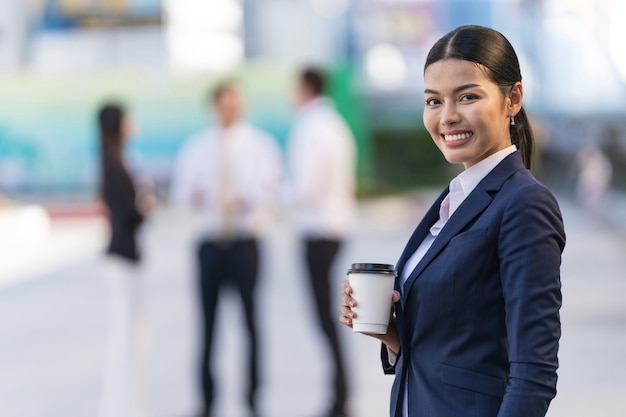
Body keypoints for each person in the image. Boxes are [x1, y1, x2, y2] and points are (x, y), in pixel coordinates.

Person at [339, 25, 566, 417]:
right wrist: (387, 331)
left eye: (467, 97)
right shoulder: (454, 200)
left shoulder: (524, 203)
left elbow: (534, 374)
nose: (447, 117)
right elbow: (455, 349)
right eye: (433, 101)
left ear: (513, 98)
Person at [169, 82, 282, 417]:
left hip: (246, 243)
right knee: (207, 326)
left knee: (251, 324)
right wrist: (198, 195)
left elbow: (274, 190)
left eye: (236, 103)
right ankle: (206, 401)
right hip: (210, 244)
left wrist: (250, 199)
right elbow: (179, 194)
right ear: (215, 107)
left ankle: (253, 400)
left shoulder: (260, 145)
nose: (231, 109)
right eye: (224, 104)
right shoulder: (197, 147)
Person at [287, 67, 357, 417]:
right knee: (326, 318)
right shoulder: (334, 123)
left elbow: (304, 188)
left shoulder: (311, 125)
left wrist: (271, 193)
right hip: (335, 227)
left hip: (318, 230)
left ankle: (340, 396)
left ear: (304, 88)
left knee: (323, 319)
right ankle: (341, 393)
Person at [98, 102, 155, 417]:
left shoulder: (123, 159)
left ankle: (132, 405)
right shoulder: (113, 162)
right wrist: (145, 205)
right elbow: (126, 215)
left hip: (131, 257)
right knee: (124, 336)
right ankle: (119, 407)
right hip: (122, 260)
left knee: (134, 336)